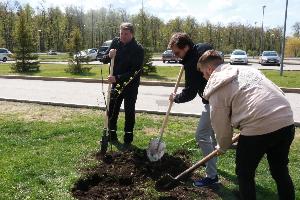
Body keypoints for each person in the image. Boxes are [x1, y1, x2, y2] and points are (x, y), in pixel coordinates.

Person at [197, 50, 295, 200]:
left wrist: (222, 146)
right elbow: (275, 90)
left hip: (258, 127)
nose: (204, 76)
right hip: (286, 120)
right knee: (280, 170)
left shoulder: (216, 84)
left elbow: (221, 125)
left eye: (203, 72)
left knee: (244, 173)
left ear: (209, 69)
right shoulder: (247, 70)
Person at [168, 32, 218, 187]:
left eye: (177, 53)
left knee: (201, 135)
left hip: (214, 101)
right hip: (221, 97)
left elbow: (189, 93)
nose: (176, 56)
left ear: (186, 47)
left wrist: (175, 97)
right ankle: (212, 161)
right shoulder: (204, 47)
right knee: (212, 134)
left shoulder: (192, 63)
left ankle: (212, 176)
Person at [100, 22, 144, 146]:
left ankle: (128, 139)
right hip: (115, 85)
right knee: (112, 110)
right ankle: (111, 135)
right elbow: (104, 59)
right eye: (121, 34)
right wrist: (109, 55)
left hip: (130, 85)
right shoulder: (116, 43)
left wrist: (117, 78)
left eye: (126, 34)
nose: (123, 36)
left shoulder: (138, 49)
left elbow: (135, 71)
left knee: (129, 112)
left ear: (132, 34)